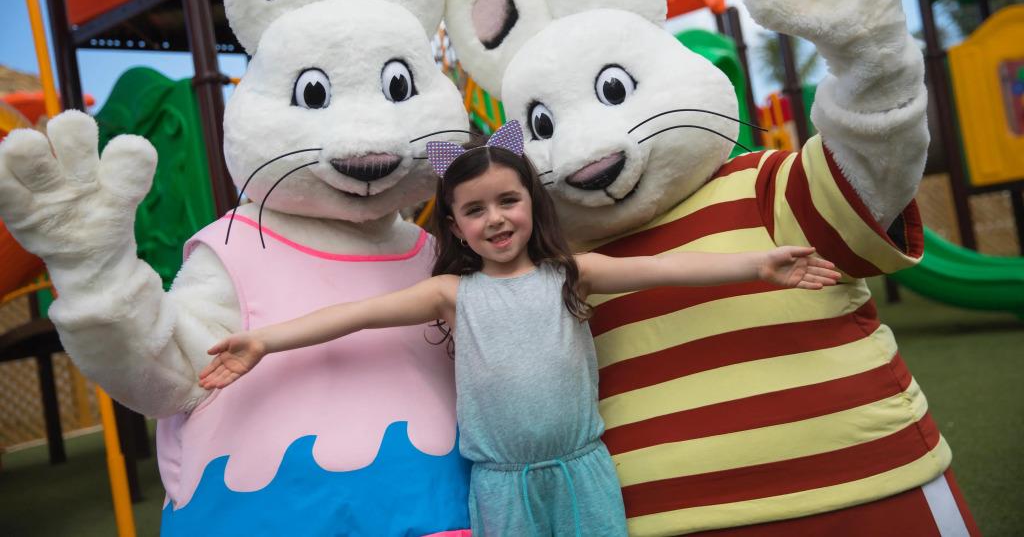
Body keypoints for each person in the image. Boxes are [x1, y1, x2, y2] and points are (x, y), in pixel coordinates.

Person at [199, 120, 840, 536]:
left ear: (532, 202)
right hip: (502, 487)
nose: (496, 219)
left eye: (508, 201)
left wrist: (758, 264)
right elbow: (353, 317)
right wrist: (266, 340)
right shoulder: (451, 295)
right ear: (455, 227)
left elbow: (665, 268)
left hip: (583, 472)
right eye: (475, 210)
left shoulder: (571, 274)